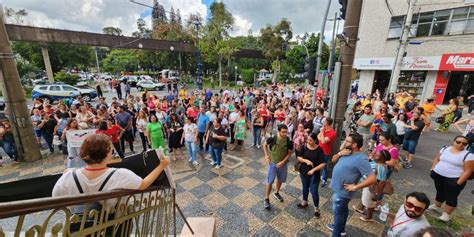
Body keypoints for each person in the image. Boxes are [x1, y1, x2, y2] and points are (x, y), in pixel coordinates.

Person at [52, 134, 170, 229]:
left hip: (79, 228)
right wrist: (161, 165)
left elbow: (57, 201)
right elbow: (143, 184)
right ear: (108, 153)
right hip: (114, 227)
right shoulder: (120, 175)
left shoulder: (67, 177)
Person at [327, 133, 376, 237]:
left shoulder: (361, 159)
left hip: (343, 193)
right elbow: (333, 160)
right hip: (337, 189)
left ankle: (336, 233)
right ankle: (341, 230)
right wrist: (340, 153)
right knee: (343, 211)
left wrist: (354, 187)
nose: (345, 142)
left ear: (354, 144)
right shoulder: (346, 152)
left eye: (347, 141)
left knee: (338, 214)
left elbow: (372, 179)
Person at [429, 136, 474, 221]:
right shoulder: (445, 149)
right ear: (453, 141)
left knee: (451, 196)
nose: (461, 144)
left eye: (464, 143)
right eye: (458, 142)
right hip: (438, 175)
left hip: (453, 178)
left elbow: (468, 171)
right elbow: (437, 159)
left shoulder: (468, 155)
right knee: (440, 191)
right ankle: (436, 206)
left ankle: (446, 215)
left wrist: (458, 183)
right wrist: (433, 169)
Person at [354, 149, 391, 222]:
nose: (375, 155)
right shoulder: (376, 162)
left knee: (370, 203)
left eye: (377, 155)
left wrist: (376, 194)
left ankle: (369, 217)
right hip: (367, 184)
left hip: (372, 187)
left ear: (382, 159)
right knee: (365, 198)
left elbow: (381, 182)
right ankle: (360, 208)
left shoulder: (381, 167)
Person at [262, 124, 293, 210]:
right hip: (272, 163)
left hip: (283, 164)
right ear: (278, 131)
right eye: (283, 132)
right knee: (270, 181)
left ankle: (277, 192)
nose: (285, 134)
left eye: (286, 132)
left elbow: (289, 153)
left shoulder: (288, 141)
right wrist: (266, 156)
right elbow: (264, 145)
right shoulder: (273, 138)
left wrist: (283, 162)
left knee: (280, 179)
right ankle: (266, 198)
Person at [296, 133, 326, 218]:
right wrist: (306, 161)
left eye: (310, 140)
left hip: (314, 174)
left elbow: (323, 163)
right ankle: (304, 202)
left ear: (315, 140)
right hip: (303, 172)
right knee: (305, 187)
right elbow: (298, 157)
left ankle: (316, 208)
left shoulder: (319, 150)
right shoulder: (304, 147)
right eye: (307, 139)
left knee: (313, 191)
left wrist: (313, 169)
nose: (308, 141)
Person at [318, 118, 336, 187]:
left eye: (324, 121)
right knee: (318, 164)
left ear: (327, 123)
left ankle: (324, 180)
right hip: (319, 149)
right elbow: (318, 136)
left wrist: (322, 133)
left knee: (324, 166)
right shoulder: (324, 129)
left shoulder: (332, 132)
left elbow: (323, 141)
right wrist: (322, 137)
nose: (322, 122)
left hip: (325, 152)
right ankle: (318, 177)